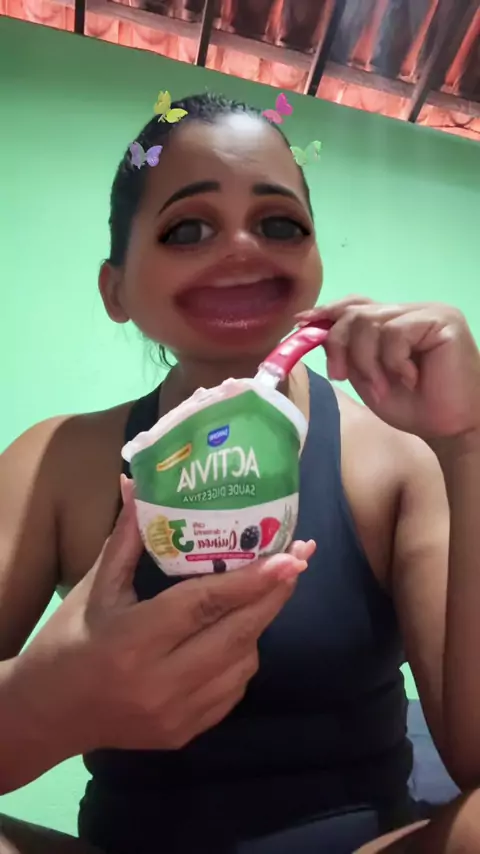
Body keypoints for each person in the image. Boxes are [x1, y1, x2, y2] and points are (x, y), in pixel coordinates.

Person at [1, 91, 480, 854]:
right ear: (115, 289)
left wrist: (468, 442)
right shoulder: (54, 463)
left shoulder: (398, 457)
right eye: (187, 228)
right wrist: (42, 706)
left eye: (280, 224)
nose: (242, 249)